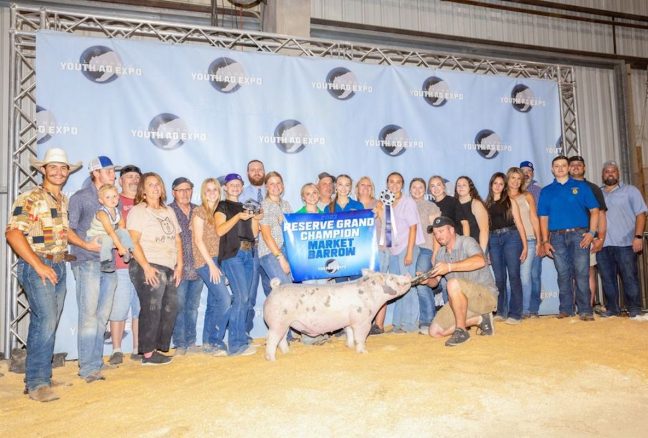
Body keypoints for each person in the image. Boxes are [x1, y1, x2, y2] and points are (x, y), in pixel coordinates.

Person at [5, 148, 83, 402]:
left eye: (63, 168)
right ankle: (37, 383)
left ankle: (41, 376)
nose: (59, 172)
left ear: (68, 172)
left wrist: (86, 245)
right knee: (45, 321)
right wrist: (38, 265)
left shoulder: (62, 200)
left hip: (58, 265)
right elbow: (13, 234)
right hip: (38, 265)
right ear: (43, 170)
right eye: (53, 167)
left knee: (47, 322)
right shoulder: (30, 198)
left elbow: (64, 232)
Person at [68, 155, 118, 382]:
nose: (113, 174)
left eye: (112, 171)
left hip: (108, 262)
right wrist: (86, 244)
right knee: (89, 315)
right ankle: (88, 367)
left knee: (102, 315)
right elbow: (68, 230)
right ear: (95, 172)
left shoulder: (111, 199)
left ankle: (95, 362)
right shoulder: (80, 198)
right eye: (108, 170)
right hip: (86, 261)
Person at [127, 172, 183, 365]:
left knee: (171, 307)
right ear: (143, 190)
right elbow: (133, 241)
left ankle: (158, 348)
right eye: (150, 185)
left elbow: (177, 239)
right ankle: (148, 353)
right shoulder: (138, 211)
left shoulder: (168, 211)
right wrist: (146, 267)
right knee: (152, 307)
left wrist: (180, 265)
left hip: (168, 265)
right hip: (148, 263)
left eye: (158, 184)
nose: (155, 187)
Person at [538, 155, 600, 320]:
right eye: (556, 166)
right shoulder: (546, 191)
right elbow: (543, 218)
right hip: (556, 237)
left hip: (580, 234)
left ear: (568, 168)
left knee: (581, 272)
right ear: (552, 169)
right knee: (563, 273)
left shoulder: (582, 187)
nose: (560, 168)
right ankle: (566, 309)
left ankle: (585, 310)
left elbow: (595, 211)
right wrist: (545, 241)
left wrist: (592, 233)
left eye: (563, 165)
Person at [425, 216, 498, 347]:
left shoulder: (467, 242)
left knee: (452, 283)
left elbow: (481, 261)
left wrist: (449, 267)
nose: (438, 236)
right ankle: (481, 319)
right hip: (461, 301)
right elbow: (435, 282)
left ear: (452, 230)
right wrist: (426, 281)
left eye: (441, 231)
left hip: (485, 296)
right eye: (435, 233)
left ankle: (461, 331)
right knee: (434, 332)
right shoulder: (440, 254)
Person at [215, 173, 263, 356]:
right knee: (241, 297)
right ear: (225, 188)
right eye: (231, 184)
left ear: (242, 187)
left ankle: (241, 339)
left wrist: (256, 219)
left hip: (248, 253)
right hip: (232, 255)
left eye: (238, 184)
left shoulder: (247, 206)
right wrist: (238, 217)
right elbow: (220, 231)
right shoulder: (222, 205)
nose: (235, 187)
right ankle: (236, 345)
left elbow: (253, 233)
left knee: (246, 299)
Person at [373, 172, 424, 334]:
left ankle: (409, 325)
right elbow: (385, 228)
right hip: (393, 249)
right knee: (398, 287)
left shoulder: (408, 202)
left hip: (406, 248)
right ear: (387, 184)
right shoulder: (386, 203)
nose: (394, 185)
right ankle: (397, 324)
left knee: (408, 285)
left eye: (398, 182)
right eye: (391, 182)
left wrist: (409, 252)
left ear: (402, 185)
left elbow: (413, 227)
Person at [596, 160, 647, 319]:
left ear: (618, 174)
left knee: (629, 277)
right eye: (607, 171)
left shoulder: (630, 191)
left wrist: (638, 236)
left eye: (613, 171)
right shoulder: (597, 193)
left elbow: (641, 214)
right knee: (607, 278)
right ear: (603, 175)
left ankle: (634, 310)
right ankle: (612, 309)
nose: (610, 173)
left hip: (625, 243)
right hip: (602, 245)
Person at [192, 178, 231, 355]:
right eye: (208, 190)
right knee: (224, 299)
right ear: (203, 192)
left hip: (218, 259)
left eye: (215, 189)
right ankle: (216, 340)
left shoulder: (220, 211)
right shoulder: (199, 212)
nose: (212, 192)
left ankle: (208, 341)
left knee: (214, 301)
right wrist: (212, 265)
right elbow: (198, 240)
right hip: (205, 261)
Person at [108, 164, 142, 365]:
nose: (134, 180)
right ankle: (116, 349)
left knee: (139, 308)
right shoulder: (114, 201)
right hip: (120, 264)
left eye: (137, 177)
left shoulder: (144, 203)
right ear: (120, 181)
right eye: (129, 177)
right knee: (119, 307)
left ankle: (138, 348)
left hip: (141, 264)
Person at [485, 172, 527, 324]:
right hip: (494, 240)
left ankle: (515, 313)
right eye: (495, 183)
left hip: (512, 238)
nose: (497, 186)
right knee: (500, 278)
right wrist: (487, 249)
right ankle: (501, 311)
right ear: (491, 185)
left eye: (501, 184)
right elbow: (486, 229)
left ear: (504, 186)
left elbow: (520, 224)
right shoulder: (486, 204)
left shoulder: (510, 201)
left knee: (514, 276)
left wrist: (525, 246)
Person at [169, 177, 203, 355]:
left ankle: (191, 342)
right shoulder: (168, 211)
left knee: (193, 307)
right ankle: (180, 344)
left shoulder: (198, 210)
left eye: (188, 189)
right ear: (173, 192)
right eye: (180, 190)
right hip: (178, 267)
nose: (184, 193)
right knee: (179, 307)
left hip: (198, 268)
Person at [568, 155, 608, 307]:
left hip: (588, 236)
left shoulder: (593, 188)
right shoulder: (562, 187)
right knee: (569, 274)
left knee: (588, 272)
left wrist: (600, 238)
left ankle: (587, 308)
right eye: (573, 164)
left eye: (579, 164)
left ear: (584, 168)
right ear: (568, 167)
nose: (576, 167)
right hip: (566, 237)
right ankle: (573, 308)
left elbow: (601, 214)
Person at [507, 167, 542, 318]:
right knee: (511, 277)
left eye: (518, 178)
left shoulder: (527, 196)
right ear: (508, 179)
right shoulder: (502, 197)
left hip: (529, 238)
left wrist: (540, 240)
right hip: (511, 241)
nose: (515, 181)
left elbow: (534, 218)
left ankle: (526, 310)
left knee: (525, 276)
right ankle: (512, 309)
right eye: (512, 178)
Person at [239, 159, 269, 334]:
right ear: (248, 173)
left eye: (260, 169)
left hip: (270, 248)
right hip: (250, 248)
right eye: (253, 170)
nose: (257, 172)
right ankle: (244, 333)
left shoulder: (273, 191)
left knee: (274, 290)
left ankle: (281, 331)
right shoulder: (241, 195)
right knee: (248, 294)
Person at [410, 177, 441, 334]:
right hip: (410, 249)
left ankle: (428, 320)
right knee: (413, 283)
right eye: (414, 187)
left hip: (426, 249)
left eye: (420, 187)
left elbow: (437, 231)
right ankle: (420, 319)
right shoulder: (406, 205)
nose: (417, 190)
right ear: (410, 190)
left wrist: (435, 252)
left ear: (425, 190)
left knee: (422, 281)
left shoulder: (431, 206)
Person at [85, 184, 133, 273]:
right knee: (107, 239)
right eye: (108, 197)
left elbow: (121, 226)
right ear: (101, 201)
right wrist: (119, 247)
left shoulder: (117, 211)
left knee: (123, 231)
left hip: (108, 234)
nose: (112, 199)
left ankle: (128, 251)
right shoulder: (102, 213)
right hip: (94, 236)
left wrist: (123, 244)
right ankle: (105, 262)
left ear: (118, 197)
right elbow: (110, 232)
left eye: (114, 196)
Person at [258, 171, 293, 288]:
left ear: (282, 186)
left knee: (286, 290)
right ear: (266, 187)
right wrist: (281, 258)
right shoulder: (263, 206)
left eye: (278, 183)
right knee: (286, 289)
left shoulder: (286, 205)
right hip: (270, 253)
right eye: (271, 184)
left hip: (286, 250)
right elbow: (266, 236)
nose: (276, 186)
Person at [519, 160, 543, 315]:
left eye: (529, 170)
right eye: (524, 170)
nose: (527, 173)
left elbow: (541, 216)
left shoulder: (539, 190)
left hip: (534, 238)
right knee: (522, 276)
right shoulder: (512, 191)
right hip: (517, 239)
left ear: (533, 173)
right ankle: (522, 307)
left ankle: (533, 308)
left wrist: (542, 240)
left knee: (534, 275)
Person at [454, 176, 489, 253]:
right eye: (458, 185)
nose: (461, 187)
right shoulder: (453, 204)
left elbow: (484, 230)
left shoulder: (476, 203)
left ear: (470, 187)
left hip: (476, 247)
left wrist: (482, 251)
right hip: (460, 250)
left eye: (464, 185)